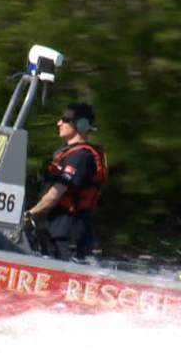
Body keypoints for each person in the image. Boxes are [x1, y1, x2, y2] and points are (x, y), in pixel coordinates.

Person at [25, 102, 107, 261]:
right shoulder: (67, 153)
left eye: (65, 119)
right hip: (55, 230)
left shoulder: (81, 157)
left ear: (81, 124)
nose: (59, 123)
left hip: (68, 234)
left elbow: (56, 193)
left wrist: (30, 214)